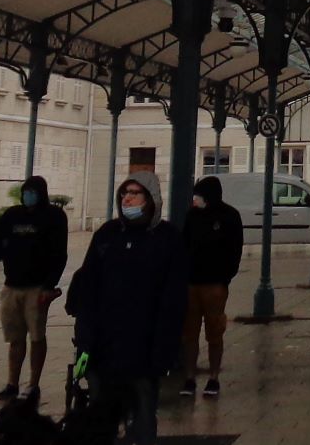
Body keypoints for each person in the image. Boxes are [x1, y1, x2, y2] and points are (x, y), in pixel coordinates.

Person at [65, 175, 189, 445]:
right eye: (124, 194)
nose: (127, 199)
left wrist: (164, 350)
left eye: (135, 194)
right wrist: (85, 340)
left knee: (143, 414)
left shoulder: (167, 239)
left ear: (151, 199)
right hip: (103, 347)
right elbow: (88, 287)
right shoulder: (107, 235)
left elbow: (173, 300)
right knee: (100, 418)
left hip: (143, 350)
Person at [0, 174, 69, 408]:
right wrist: (1, 251)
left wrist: (49, 285)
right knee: (15, 338)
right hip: (12, 284)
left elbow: (59, 253)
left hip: (37, 287)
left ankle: (33, 383)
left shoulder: (53, 217)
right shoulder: (12, 215)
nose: (28, 196)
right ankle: (12, 383)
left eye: (33, 192)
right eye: (26, 191)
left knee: (36, 336)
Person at [178, 175, 243, 398]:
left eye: (199, 195)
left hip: (215, 284)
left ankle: (213, 377)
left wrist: (225, 277)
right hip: (191, 283)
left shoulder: (229, 216)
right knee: (189, 333)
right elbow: (183, 245)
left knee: (214, 332)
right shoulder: (192, 216)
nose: (196, 199)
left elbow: (235, 249)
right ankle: (189, 377)